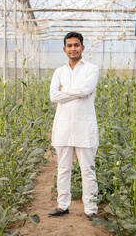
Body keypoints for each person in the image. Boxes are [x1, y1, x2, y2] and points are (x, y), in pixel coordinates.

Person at [48, 32, 99, 221]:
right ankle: (62, 206)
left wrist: (65, 90)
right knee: (63, 168)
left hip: (84, 126)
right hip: (63, 126)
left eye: (76, 45)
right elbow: (54, 96)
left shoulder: (92, 69)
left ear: (83, 48)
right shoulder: (59, 72)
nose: (73, 49)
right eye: (69, 46)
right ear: (64, 49)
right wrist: (77, 93)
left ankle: (91, 209)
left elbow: (86, 90)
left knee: (87, 169)